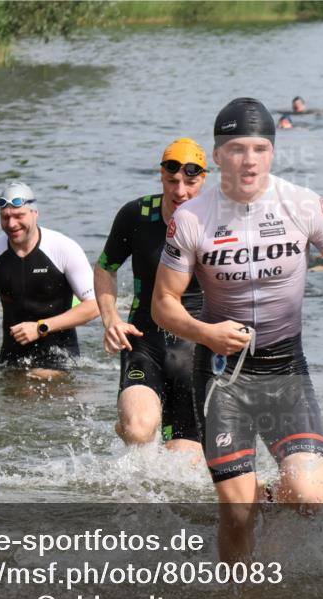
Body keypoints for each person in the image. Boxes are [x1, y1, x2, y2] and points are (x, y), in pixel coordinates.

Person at [152, 97, 323, 561]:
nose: (248, 160)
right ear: (217, 155)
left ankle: (267, 505)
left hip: (285, 366)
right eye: (236, 148)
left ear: (272, 152)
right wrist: (205, 333)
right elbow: (162, 306)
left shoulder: (302, 204)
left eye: (259, 148)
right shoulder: (191, 219)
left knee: (310, 495)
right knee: (236, 512)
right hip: (220, 374)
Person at [94, 138, 208, 453]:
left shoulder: (218, 222)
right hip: (144, 339)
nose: (180, 191)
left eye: (190, 182)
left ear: (204, 179)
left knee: (180, 470)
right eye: (172, 181)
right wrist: (110, 319)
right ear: (161, 175)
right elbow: (105, 268)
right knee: (137, 430)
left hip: (196, 349)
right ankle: (126, 420)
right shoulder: (136, 215)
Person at [0, 182, 99, 374]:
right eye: (5, 217)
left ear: (35, 213)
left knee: (33, 382)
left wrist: (41, 327)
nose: (11, 224)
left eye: (19, 216)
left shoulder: (63, 248)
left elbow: (94, 305)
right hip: (11, 357)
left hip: (59, 355)